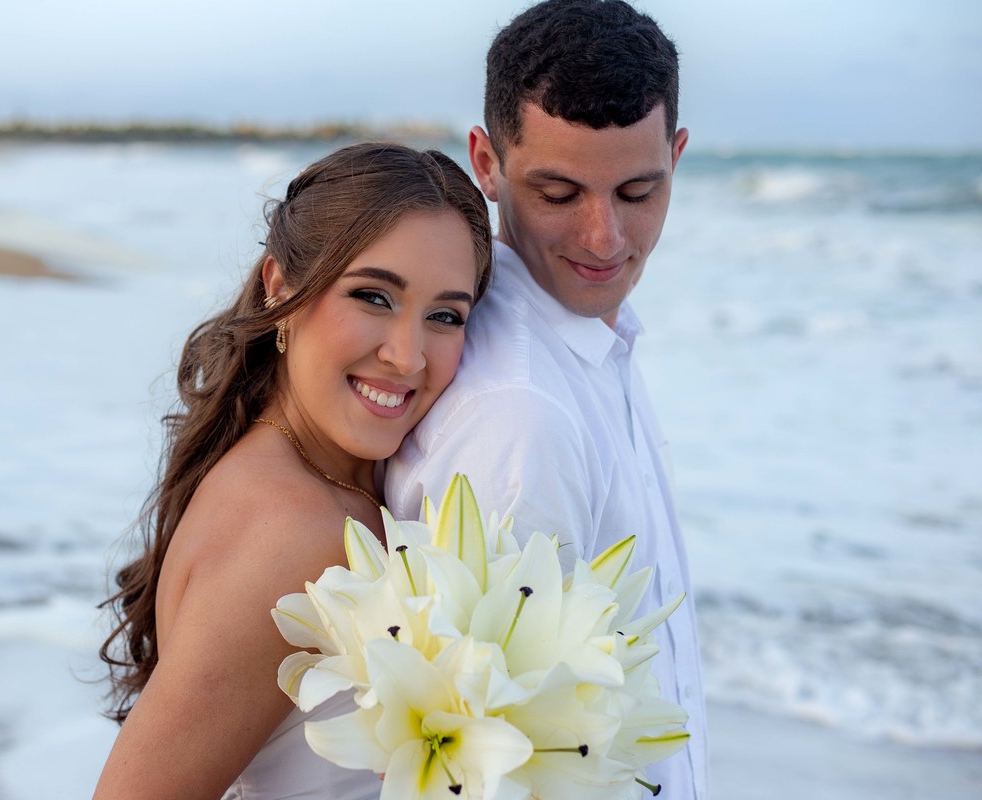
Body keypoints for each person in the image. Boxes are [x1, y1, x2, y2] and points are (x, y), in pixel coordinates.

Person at [92, 142, 492, 800]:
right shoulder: (298, 529)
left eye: (445, 316)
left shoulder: (286, 470)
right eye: (374, 297)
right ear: (282, 285)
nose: (407, 355)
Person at [385, 1, 708, 798]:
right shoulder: (523, 414)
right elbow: (496, 764)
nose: (603, 237)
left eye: (638, 191)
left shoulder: (592, 340)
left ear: (678, 156)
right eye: (558, 193)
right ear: (485, 162)